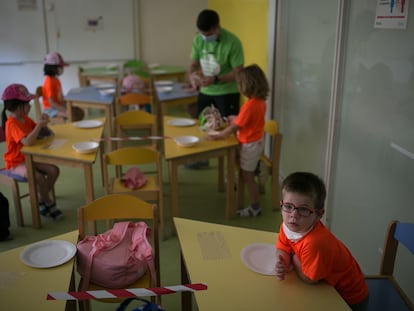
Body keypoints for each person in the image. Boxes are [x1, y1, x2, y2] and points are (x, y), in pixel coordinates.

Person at [275, 172, 369, 310]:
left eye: (303, 209)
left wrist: (293, 258)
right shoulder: (288, 226)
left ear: (319, 214)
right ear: (282, 205)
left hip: (349, 299)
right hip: (328, 289)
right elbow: (283, 245)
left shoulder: (315, 242)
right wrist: (282, 262)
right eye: (288, 206)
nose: (293, 215)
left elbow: (310, 279)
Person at [207, 64, 268, 217]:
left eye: (239, 84)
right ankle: (256, 167)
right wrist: (236, 119)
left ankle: (255, 207)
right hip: (256, 141)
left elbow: (235, 128)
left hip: (250, 144)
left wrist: (219, 135)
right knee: (242, 164)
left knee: (247, 176)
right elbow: (246, 121)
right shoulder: (260, 102)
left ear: (247, 85)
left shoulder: (249, 105)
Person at [187, 9, 244, 169]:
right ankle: (201, 159)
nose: (205, 37)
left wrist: (217, 79)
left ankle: (232, 168)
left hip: (227, 93)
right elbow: (193, 65)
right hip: (206, 92)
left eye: (208, 33)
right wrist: (193, 77)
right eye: (202, 33)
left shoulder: (232, 42)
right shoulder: (198, 39)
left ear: (217, 27)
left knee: (229, 131)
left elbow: (239, 72)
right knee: (203, 125)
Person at [1, 84, 63, 220]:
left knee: (54, 170)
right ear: (16, 107)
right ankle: (48, 202)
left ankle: (40, 197)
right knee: (39, 178)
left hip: (29, 158)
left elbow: (39, 131)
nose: (30, 107)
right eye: (27, 104)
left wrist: (43, 122)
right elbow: (27, 142)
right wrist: (39, 125)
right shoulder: (11, 124)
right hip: (15, 163)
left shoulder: (26, 119)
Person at [42, 52, 84, 121]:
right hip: (50, 110)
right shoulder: (49, 81)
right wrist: (65, 109)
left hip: (57, 106)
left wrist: (68, 106)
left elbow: (60, 98)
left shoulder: (56, 79)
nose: (61, 69)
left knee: (80, 112)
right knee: (73, 115)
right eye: (60, 67)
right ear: (52, 68)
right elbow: (51, 103)